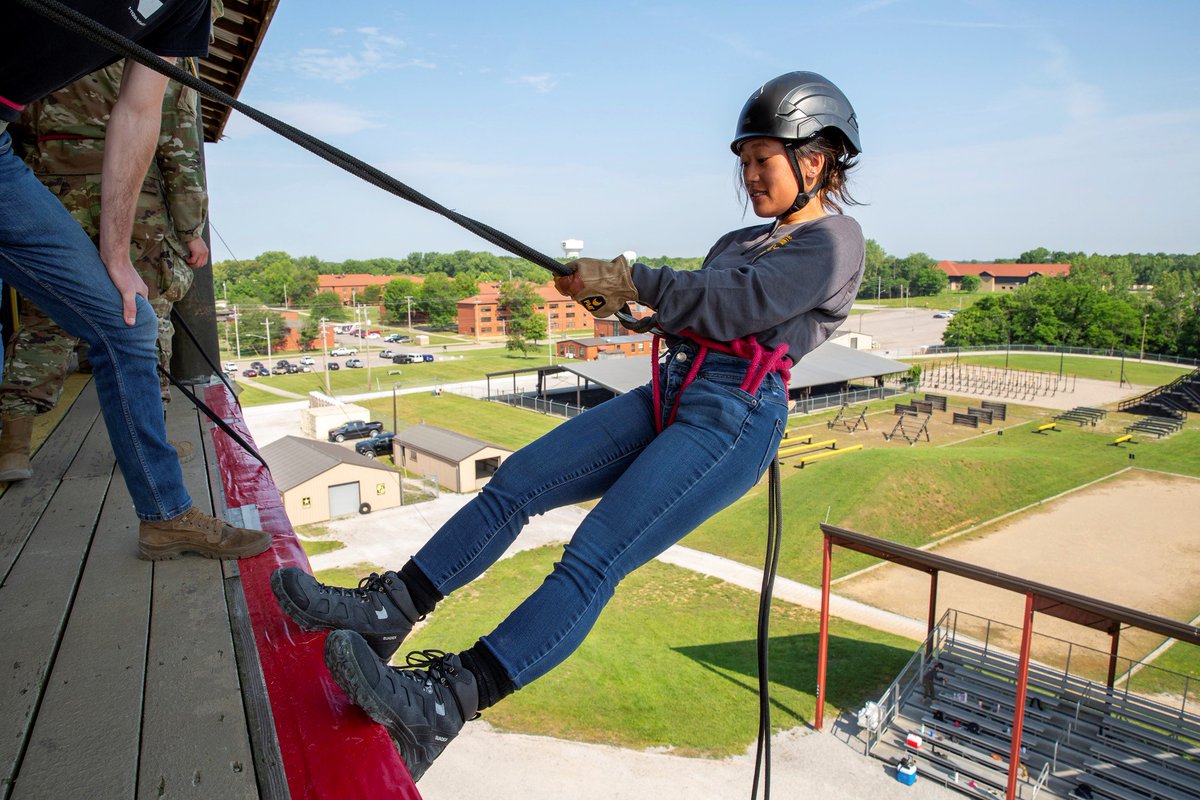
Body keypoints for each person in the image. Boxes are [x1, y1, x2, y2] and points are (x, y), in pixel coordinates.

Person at [270, 71, 865, 781]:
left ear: (817, 158)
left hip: (734, 418)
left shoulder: (835, 243)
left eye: (761, 160)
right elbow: (691, 310)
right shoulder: (741, 239)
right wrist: (616, 303)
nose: (748, 176)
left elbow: (738, 307)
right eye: (743, 162)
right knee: (517, 481)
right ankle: (389, 611)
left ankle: (443, 703)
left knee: (593, 557)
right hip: (674, 390)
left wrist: (631, 275)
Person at [0, 0, 270, 560]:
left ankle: (165, 515)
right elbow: (178, 142)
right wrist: (189, 223)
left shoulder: (188, 8)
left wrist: (116, 257)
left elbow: (142, 111)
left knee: (127, 322)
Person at [0, 56, 209, 481]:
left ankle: (12, 446)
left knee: (48, 318)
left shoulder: (50, 30)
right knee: (146, 316)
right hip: (134, 200)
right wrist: (190, 228)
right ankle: (152, 446)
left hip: (45, 189)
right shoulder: (159, 40)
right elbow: (177, 141)